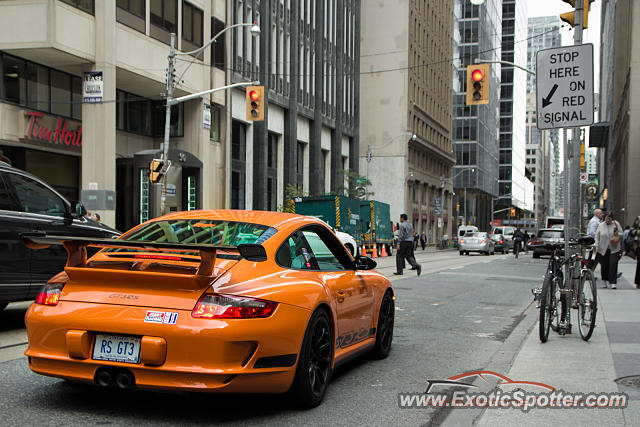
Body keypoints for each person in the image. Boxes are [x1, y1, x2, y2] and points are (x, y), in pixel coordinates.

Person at [595, 212, 623, 289]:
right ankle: (605, 280)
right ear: (605, 218)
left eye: (610, 218)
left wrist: (617, 234)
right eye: (607, 218)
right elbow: (597, 236)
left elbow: (622, 233)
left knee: (613, 265)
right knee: (604, 266)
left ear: (612, 219)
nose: (608, 220)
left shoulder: (616, 224)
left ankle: (613, 282)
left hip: (614, 248)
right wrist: (596, 246)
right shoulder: (601, 225)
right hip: (603, 249)